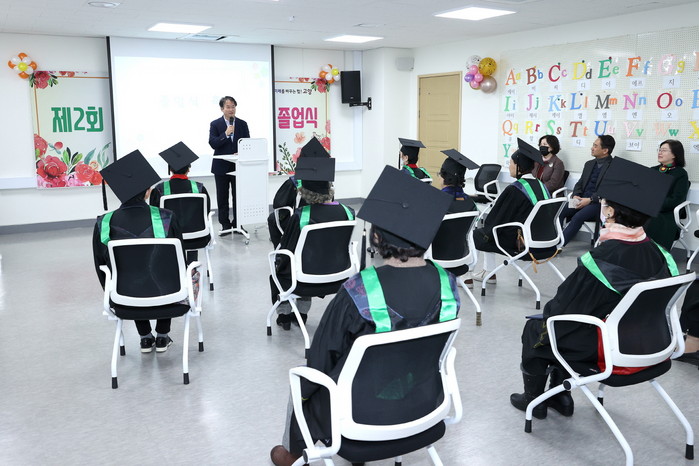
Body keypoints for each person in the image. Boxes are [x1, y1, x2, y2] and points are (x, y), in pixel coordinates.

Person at [270, 165, 457, 466]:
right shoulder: (449, 285)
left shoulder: (359, 291)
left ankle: (293, 453)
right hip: (423, 404)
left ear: (378, 239)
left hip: (359, 412)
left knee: (304, 380)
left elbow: (321, 359)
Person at [511, 157, 676, 419]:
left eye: (604, 203)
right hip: (654, 343)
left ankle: (536, 400)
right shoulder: (661, 254)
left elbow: (563, 308)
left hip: (608, 347)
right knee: (565, 325)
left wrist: (547, 316)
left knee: (540, 328)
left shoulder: (603, 258)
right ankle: (561, 396)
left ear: (609, 212)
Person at [92, 150, 183, 353]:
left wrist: (112, 293)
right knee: (166, 269)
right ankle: (162, 335)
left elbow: (101, 267)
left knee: (130, 272)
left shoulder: (104, 223)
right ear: (148, 192)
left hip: (125, 298)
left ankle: (145, 337)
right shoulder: (167, 217)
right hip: (167, 294)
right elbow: (179, 263)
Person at [269, 156, 355, 330]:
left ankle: (284, 316)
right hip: (339, 276)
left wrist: (278, 263)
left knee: (285, 268)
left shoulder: (301, 216)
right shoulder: (348, 212)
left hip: (305, 281)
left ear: (304, 191)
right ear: (329, 188)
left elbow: (288, 249)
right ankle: (302, 314)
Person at [466, 138, 549, 287]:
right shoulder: (541, 186)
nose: (509, 166)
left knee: (478, 234)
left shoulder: (515, 189)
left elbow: (497, 218)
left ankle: (468, 274)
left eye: (511, 163)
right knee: (489, 231)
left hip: (520, 243)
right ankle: (488, 272)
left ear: (519, 167)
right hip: (544, 241)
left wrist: (487, 230)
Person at [267, 137, 330, 248]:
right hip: (325, 220)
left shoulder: (295, 181)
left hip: (302, 221)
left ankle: (280, 251)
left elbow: (279, 204)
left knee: (272, 218)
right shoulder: (328, 182)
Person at [150, 141, 212, 253]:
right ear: (188, 169)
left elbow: (154, 214)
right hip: (197, 238)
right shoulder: (199, 188)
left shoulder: (159, 190)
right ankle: (193, 261)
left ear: (171, 169)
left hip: (170, 239)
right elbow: (205, 212)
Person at [560, 135, 615, 245]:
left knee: (578, 217)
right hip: (581, 199)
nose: (592, 148)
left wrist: (590, 199)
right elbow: (580, 183)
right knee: (559, 211)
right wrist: (575, 195)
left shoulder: (613, 166)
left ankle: (558, 246)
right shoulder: (589, 164)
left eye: (595, 146)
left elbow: (609, 190)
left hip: (598, 203)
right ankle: (553, 239)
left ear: (605, 150)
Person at [208, 96, 250, 235]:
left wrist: (242, 151)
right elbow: (213, 143)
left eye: (233, 106)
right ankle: (225, 225)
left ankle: (238, 223)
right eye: (228, 107)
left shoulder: (242, 124)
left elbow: (247, 143)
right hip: (221, 166)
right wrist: (225, 134)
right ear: (222, 109)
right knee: (222, 197)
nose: (231, 109)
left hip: (238, 166)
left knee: (239, 196)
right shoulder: (215, 124)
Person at [644, 139, 690, 250]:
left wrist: (654, 205)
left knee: (652, 221)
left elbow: (676, 199)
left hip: (666, 213)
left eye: (664, 150)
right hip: (647, 209)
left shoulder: (680, 174)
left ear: (674, 154)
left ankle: (651, 255)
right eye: (659, 150)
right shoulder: (653, 170)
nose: (660, 152)